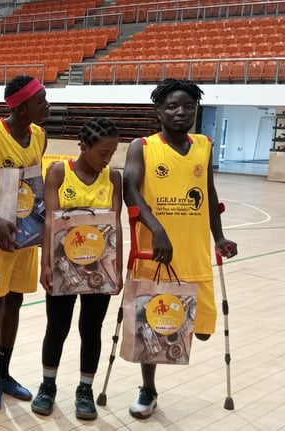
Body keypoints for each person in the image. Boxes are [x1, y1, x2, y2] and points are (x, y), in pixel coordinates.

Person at [123, 79, 237, 419]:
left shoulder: (204, 145)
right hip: (156, 257)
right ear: (159, 111)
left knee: (201, 333)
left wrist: (219, 237)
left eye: (188, 106)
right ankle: (148, 389)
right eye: (172, 106)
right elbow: (130, 188)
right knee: (153, 329)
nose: (181, 112)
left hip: (195, 254)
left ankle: (156, 376)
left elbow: (209, 193)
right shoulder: (142, 146)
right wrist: (156, 229)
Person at [31, 117, 123, 420]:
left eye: (112, 153)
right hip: (63, 264)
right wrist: (45, 263)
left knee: (91, 328)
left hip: (99, 266)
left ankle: (85, 390)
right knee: (57, 327)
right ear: (83, 146)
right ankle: (47, 386)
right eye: (103, 153)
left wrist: (117, 268)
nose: (107, 159)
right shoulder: (59, 172)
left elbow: (115, 224)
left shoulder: (113, 178)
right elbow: (50, 221)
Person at [0, 75, 49, 413]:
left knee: (14, 301)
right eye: (41, 100)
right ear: (21, 106)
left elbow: (33, 185)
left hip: (24, 234)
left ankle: (5, 373)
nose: (47, 106)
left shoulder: (40, 135)